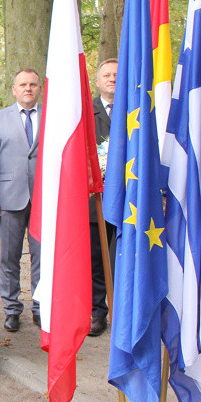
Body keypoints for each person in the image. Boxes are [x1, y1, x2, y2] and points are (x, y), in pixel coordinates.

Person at [0, 69, 42, 332]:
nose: (28, 89)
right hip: (10, 197)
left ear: (40, 88)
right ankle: (11, 309)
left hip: (43, 198)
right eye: (23, 84)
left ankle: (40, 307)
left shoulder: (52, 115)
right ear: (14, 89)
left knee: (41, 257)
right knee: (9, 257)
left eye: (33, 84)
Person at [89, 58, 118, 336]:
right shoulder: (86, 112)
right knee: (96, 259)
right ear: (97, 81)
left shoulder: (137, 109)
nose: (112, 79)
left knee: (125, 257)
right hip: (94, 200)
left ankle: (124, 311)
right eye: (106, 75)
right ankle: (98, 312)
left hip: (128, 200)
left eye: (116, 75)